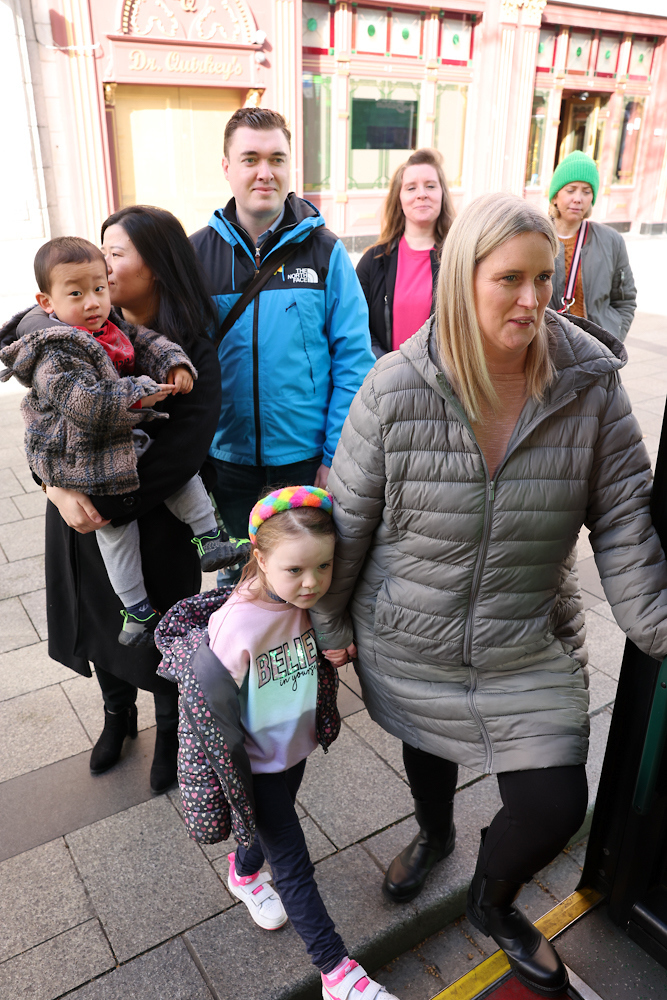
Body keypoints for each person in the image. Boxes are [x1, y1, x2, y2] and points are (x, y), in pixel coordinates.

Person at [310, 192, 667, 996]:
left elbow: (622, 523)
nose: (532, 300)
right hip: (411, 631)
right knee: (427, 750)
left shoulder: (590, 387)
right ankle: (433, 834)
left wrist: (658, 628)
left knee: (552, 801)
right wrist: (330, 623)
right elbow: (350, 520)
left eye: (543, 278)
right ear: (462, 280)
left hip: (524, 637)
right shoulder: (396, 386)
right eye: (509, 279)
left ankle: (491, 900)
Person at [0, 206, 222, 794]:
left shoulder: (187, 343)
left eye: (116, 256)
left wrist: (102, 502)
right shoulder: (68, 333)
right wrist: (54, 488)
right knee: (101, 626)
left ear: (158, 264)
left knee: (162, 628)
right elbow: (41, 424)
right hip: (80, 510)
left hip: (143, 514)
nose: (106, 269)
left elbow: (184, 451)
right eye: (103, 253)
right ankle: (116, 716)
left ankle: (171, 729)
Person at [155, 486, 401, 1000]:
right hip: (255, 767)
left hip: (293, 751)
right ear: (261, 560)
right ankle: (338, 974)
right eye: (295, 571)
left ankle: (244, 872)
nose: (312, 584)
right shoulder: (235, 626)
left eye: (324, 567)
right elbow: (204, 721)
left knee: (273, 829)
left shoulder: (309, 604)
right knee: (292, 863)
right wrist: (220, 789)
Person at [0, 236, 240, 646]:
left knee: (188, 480)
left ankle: (209, 538)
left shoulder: (110, 326)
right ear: (47, 302)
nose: (93, 301)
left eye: (99, 288)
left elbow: (147, 341)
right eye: (77, 293)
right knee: (117, 539)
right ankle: (136, 609)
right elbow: (83, 403)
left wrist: (175, 362)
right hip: (86, 459)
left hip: (126, 446)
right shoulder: (54, 348)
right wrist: (138, 394)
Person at [190, 106, 374, 578]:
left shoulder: (327, 252)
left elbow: (354, 362)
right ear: (227, 167)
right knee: (237, 581)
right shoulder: (194, 257)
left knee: (305, 582)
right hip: (225, 462)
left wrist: (334, 458)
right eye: (250, 158)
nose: (264, 172)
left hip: (306, 459)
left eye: (276, 158)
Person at [356, 148, 455, 358]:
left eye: (430, 186)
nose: (422, 194)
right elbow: (357, 327)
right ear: (399, 199)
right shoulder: (372, 263)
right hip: (386, 381)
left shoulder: (459, 260)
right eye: (411, 188)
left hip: (442, 385)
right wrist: (389, 369)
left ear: (442, 195)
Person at [548, 150, 636, 341]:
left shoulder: (611, 241)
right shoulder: (535, 238)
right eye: (571, 190)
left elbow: (625, 299)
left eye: (586, 192)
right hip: (548, 351)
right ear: (555, 196)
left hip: (596, 352)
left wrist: (614, 337)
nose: (578, 198)